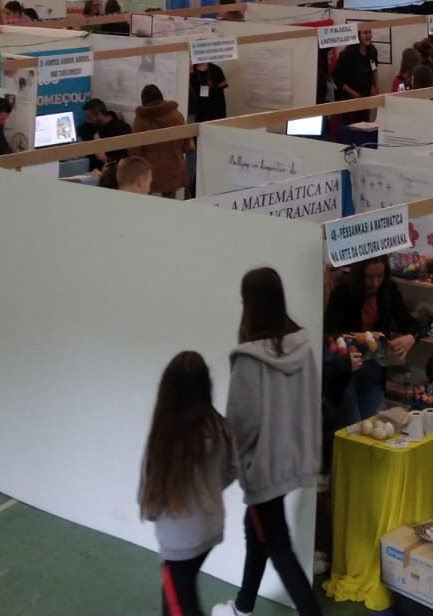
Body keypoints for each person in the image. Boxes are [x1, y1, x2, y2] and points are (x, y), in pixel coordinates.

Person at [215, 269, 321, 616]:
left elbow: (241, 425)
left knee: (278, 545)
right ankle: (243, 607)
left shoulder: (248, 359)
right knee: (257, 530)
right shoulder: (302, 346)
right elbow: (310, 401)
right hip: (293, 459)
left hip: (263, 467)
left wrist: (225, 462)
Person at [141, 350, 236, 616]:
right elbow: (231, 469)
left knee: (180, 602)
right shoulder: (219, 426)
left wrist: (153, 514)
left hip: (179, 541)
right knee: (177, 594)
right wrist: (207, 493)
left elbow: (149, 498)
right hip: (211, 527)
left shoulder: (164, 438)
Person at [322, 257, 416, 422]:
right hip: (347, 373)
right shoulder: (342, 294)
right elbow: (329, 334)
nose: (375, 282)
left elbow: (409, 323)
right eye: (369, 277)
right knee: (353, 426)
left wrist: (410, 337)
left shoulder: (388, 291)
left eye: (380, 276)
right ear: (358, 275)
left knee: (372, 425)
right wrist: (346, 351)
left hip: (374, 370)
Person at [132, 84, 188, 197]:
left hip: (149, 167)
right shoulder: (176, 115)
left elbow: (135, 148)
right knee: (170, 201)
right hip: (174, 164)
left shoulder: (141, 120)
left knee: (145, 201)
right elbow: (186, 143)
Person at [331, 27, 378, 123]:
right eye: (365, 32)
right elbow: (337, 78)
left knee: (364, 124)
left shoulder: (372, 51)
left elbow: (374, 69)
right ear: (358, 36)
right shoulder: (347, 55)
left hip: (365, 98)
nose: (368, 35)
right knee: (352, 127)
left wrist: (375, 87)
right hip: (349, 99)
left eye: (370, 32)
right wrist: (353, 94)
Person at [79, 98, 132, 170]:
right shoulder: (92, 127)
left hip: (111, 170)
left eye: (89, 118)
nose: (88, 121)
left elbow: (126, 156)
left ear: (99, 115)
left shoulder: (121, 129)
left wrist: (107, 158)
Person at [188, 59, 229, 125]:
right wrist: (190, 70)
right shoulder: (191, 71)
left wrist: (223, 117)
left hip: (215, 112)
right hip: (196, 114)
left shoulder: (216, 69)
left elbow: (221, 97)